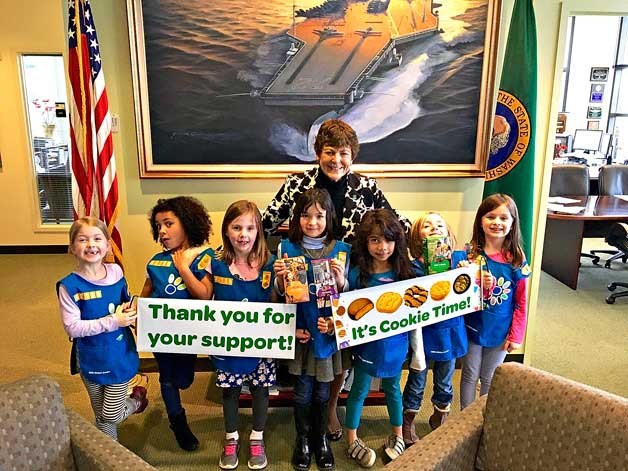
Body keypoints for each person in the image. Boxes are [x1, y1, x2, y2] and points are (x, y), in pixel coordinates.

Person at [262, 118, 411, 439]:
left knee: (340, 350)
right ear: (318, 152)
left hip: (348, 281)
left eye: (344, 153)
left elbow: (396, 225)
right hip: (304, 285)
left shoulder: (367, 187)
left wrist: (431, 234)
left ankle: (330, 408)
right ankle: (309, 414)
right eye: (329, 152)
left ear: (352, 155)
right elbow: (265, 224)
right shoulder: (297, 184)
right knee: (309, 349)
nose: (336, 160)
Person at [273, 189, 350, 471]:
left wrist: (341, 282)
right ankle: (302, 440)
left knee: (322, 393)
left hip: (327, 333)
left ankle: (320, 440)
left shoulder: (342, 250)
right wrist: (281, 280)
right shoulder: (286, 249)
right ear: (298, 218)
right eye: (306, 215)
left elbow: (351, 301)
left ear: (329, 217)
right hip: (301, 332)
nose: (313, 222)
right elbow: (279, 296)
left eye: (319, 215)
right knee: (303, 392)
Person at [56, 217, 148, 440]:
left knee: (111, 414)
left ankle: (136, 400)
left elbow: (125, 301)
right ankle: (111, 456)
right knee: (101, 416)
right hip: (89, 357)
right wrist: (113, 321)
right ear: (72, 248)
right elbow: (73, 328)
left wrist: (132, 308)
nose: (91, 245)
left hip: (118, 356)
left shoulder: (116, 272)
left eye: (97, 239)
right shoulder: (69, 286)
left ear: (107, 245)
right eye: (82, 239)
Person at [344, 209, 420, 467]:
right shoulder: (357, 275)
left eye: (388, 240)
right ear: (365, 242)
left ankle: (397, 434)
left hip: (396, 347)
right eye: (375, 240)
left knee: (393, 390)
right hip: (366, 347)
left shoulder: (406, 272)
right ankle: (351, 438)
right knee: (359, 390)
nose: (382, 246)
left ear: (397, 241)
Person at [207, 200, 277, 471]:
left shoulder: (270, 263)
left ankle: (257, 437)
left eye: (250, 227)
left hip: (261, 344)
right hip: (228, 344)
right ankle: (231, 436)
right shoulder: (215, 262)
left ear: (259, 230)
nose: (243, 234)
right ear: (226, 230)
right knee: (230, 391)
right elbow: (202, 300)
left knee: (261, 390)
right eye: (236, 227)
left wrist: (281, 284)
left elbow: (275, 304)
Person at [140, 196, 214, 451]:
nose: (162, 231)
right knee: (168, 378)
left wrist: (182, 267)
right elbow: (145, 293)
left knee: (184, 379)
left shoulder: (205, 256)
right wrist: (138, 314)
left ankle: (178, 387)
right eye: (158, 226)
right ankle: (177, 420)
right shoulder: (155, 261)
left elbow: (204, 294)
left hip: (189, 333)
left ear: (187, 223)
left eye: (169, 224)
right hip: (162, 334)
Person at [401, 212, 469, 446]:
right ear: (416, 236)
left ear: (448, 233)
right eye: (426, 226)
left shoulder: (459, 259)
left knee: (445, 381)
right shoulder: (411, 267)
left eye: (439, 224)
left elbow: (472, 288)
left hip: (449, 333)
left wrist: (466, 271)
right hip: (422, 336)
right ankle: (408, 419)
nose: (433, 228)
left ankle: (440, 416)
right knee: (417, 380)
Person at [460, 194, 531, 409]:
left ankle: (482, 419)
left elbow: (521, 302)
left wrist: (516, 335)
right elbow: (458, 292)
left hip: (500, 330)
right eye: (491, 217)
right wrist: (466, 275)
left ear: (512, 223)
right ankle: (465, 419)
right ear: (481, 221)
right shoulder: (469, 254)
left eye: (503, 218)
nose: (497, 223)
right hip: (472, 326)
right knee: (469, 375)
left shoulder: (517, 259)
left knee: (490, 377)